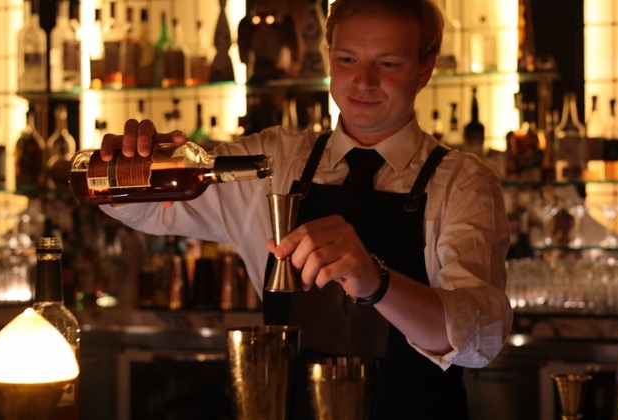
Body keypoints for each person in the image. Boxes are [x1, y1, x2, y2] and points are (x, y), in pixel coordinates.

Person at [99, 0, 512, 418]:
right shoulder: (274, 161)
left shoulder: (463, 183)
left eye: (387, 64)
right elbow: (151, 211)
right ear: (328, 57)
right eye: (347, 59)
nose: (363, 81)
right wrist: (126, 168)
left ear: (425, 69)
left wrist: (377, 283)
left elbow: (481, 338)